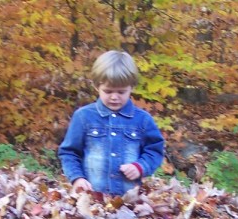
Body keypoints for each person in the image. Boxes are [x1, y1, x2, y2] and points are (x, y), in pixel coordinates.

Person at [58, 50, 165, 196]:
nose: (114, 97)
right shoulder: (83, 117)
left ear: (131, 87)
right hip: (90, 200)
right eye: (108, 91)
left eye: (121, 92)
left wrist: (140, 167)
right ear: (97, 87)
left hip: (129, 202)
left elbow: (154, 151)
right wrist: (77, 178)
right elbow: (69, 152)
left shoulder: (143, 120)